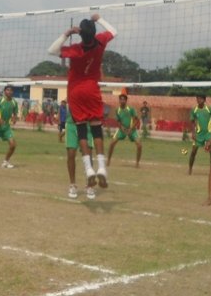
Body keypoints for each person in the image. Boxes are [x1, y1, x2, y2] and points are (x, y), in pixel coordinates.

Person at [48, 13, 116, 190]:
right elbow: (113, 31)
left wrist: (67, 33)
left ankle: (89, 170)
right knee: (96, 130)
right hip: (92, 90)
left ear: (81, 34)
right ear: (93, 33)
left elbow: (52, 50)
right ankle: (101, 167)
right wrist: (99, 19)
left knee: (82, 132)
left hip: (76, 92)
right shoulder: (100, 42)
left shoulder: (76, 50)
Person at [64, 105, 97, 200]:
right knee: (71, 153)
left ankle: (89, 185)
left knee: (88, 154)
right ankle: (72, 185)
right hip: (71, 124)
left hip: (86, 124)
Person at [107, 92, 143, 167]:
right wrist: (122, 128)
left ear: (126, 101)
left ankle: (137, 163)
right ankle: (108, 161)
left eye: (124, 99)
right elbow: (118, 121)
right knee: (112, 143)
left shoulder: (131, 109)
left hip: (132, 130)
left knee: (139, 145)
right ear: (119, 101)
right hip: (121, 130)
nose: (122, 101)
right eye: (121, 99)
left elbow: (136, 120)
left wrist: (131, 128)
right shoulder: (117, 110)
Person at [187, 94, 211, 175]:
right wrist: (193, 133)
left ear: (204, 100)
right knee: (193, 151)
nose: (199, 100)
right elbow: (192, 122)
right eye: (197, 98)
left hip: (208, 134)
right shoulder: (194, 110)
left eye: (200, 99)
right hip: (198, 135)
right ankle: (190, 168)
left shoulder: (210, 109)